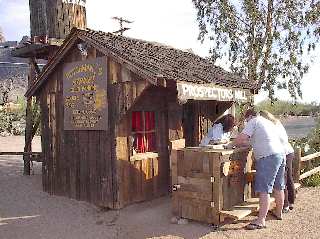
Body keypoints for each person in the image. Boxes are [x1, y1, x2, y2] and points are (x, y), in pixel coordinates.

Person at [232, 108, 286, 230]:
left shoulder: (254, 121)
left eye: (246, 119)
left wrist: (230, 144)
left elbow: (241, 139)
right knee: (279, 186)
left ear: (249, 116)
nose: (246, 122)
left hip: (268, 157)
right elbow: (251, 142)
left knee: (264, 189)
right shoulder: (267, 122)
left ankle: (261, 220)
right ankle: (279, 212)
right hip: (280, 154)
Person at [259, 110, 295, 213]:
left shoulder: (271, 125)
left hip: (284, 152)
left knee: (282, 180)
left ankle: (286, 205)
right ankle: (290, 202)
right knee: (287, 178)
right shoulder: (277, 123)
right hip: (288, 151)